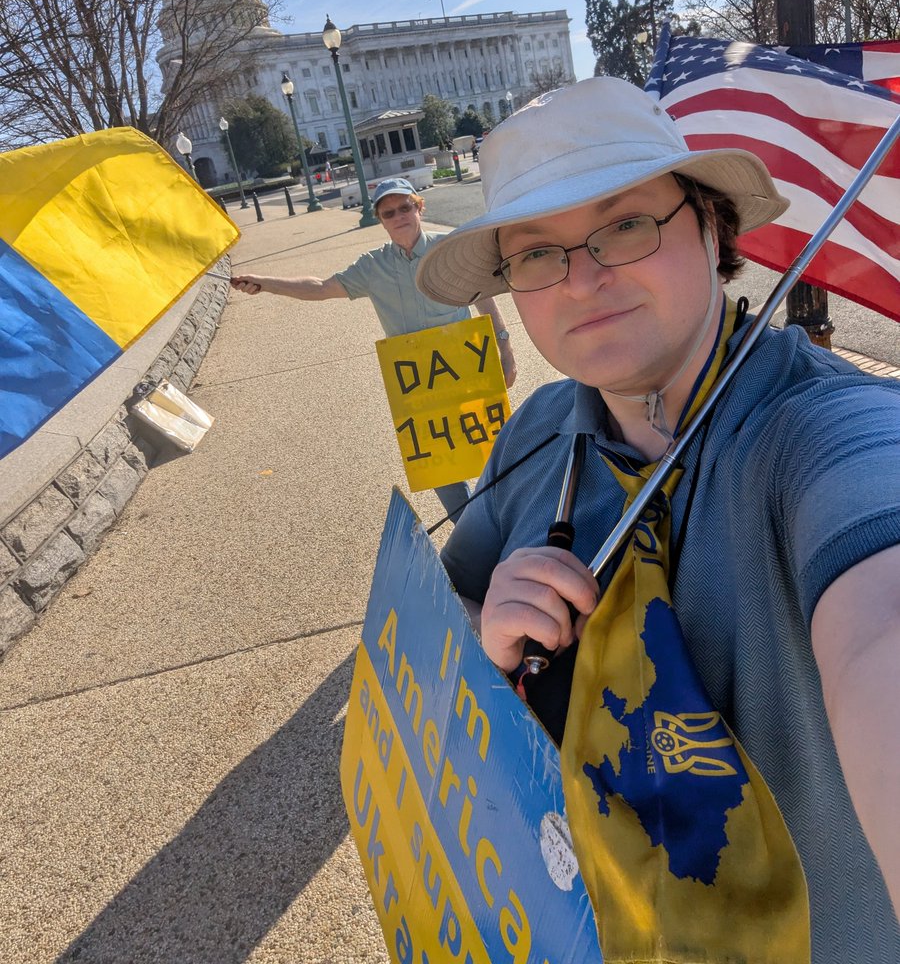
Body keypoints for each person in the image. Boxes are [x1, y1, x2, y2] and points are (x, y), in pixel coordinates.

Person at [416, 78, 900, 962]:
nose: (585, 278)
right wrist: (484, 631)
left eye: (627, 223)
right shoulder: (535, 433)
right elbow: (431, 618)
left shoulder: (825, 434)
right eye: (536, 253)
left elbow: (882, 625)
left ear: (711, 227)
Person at [231, 176, 516, 522]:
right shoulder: (372, 267)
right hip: (420, 389)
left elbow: (483, 299)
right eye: (388, 212)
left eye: (405, 207)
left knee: (495, 458)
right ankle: (477, 537)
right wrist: (265, 283)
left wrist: (505, 348)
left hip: (468, 374)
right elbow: (321, 288)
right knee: (445, 476)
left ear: (419, 207)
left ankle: (510, 527)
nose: (399, 217)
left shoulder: (449, 249)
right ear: (381, 220)